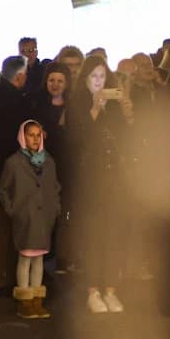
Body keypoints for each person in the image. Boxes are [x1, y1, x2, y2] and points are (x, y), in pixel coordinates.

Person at [67, 55, 133, 314]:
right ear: (85, 79)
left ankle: (111, 289)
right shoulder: (77, 104)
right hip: (89, 180)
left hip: (115, 179)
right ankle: (92, 289)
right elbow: (76, 140)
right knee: (94, 237)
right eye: (93, 76)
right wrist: (95, 109)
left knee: (114, 236)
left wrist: (126, 112)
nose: (98, 81)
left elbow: (127, 140)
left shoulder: (114, 106)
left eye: (102, 76)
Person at [0, 120, 60, 320]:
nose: (35, 138)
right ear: (23, 137)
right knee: (25, 258)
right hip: (25, 217)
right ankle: (24, 300)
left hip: (43, 218)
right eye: (31, 135)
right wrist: (14, 210)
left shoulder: (48, 161)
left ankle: (36, 299)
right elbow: (3, 190)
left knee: (39, 257)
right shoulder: (13, 162)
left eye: (38, 135)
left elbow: (55, 187)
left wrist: (55, 209)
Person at [0, 56, 32, 294]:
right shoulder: (14, 101)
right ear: (20, 76)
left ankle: (0, 276)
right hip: (10, 173)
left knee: (1, 224)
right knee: (6, 227)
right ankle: (2, 278)